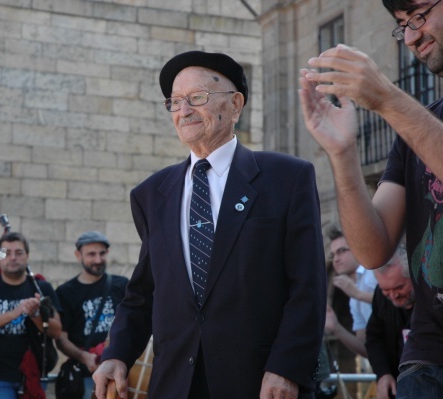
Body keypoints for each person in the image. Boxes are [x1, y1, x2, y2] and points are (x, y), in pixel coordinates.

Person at [93, 50, 327, 399]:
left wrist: (287, 367)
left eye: (197, 98)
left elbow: (308, 285)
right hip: (175, 384)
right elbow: (144, 292)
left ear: (235, 104)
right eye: (174, 102)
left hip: (262, 384)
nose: (183, 111)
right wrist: (117, 354)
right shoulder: (152, 193)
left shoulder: (286, 177)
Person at [298, 1, 443, 396]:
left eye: (419, 15)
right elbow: (373, 250)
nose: (411, 36)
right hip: (429, 357)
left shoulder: (406, 116)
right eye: (402, 25)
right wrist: (342, 153)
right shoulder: (413, 130)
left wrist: (388, 99)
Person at [0, 232, 62, 399]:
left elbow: (56, 330)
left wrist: (35, 314)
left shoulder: (42, 288)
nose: (13, 258)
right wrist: (15, 312)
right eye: (6, 253)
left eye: (19, 252)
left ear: (27, 256)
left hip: (34, 375)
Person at [55, 231, 128, 399]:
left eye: (102, 253)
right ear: (77, 255)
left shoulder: (122, 285)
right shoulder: (66, 292)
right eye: (91, 254)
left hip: (120, 371)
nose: (98, 260)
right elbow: (60, 338)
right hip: (86, 374)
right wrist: (85, 357)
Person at [366, 246, 414, 399]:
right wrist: (383, 374)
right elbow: (374, 337)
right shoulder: (380, 297)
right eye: (386, 290)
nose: (393, 296)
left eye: (399, 287)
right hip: (396, 385)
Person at [324, 227, 377, 357]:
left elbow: (398, 303)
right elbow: (367, 349)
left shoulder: (373, 272)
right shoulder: (353, 299)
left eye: (341, 251)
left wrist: (359, 294)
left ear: (357, 248)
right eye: (332, 255)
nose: (336, 259)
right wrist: (336, 327)